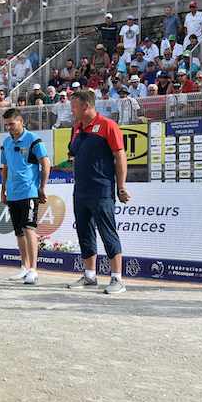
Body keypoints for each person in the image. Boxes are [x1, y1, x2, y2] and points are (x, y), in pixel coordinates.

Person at [66, 90, 131, 294]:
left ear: (86, 106)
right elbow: (74, 155)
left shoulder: (108, 125)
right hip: (80, 190)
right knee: (84, 232)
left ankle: (117, 278)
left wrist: (121, 186)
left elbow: (120, 157)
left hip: (101, 189)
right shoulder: (76, 128)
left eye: (74, 107)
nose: (71, 111)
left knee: (107, 232)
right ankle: (90, 276)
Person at [0, 108, 50, 285]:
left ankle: (33, 270)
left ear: (21, 121)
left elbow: (46, 164)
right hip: (12, 193)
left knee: (29, 229)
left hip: (29, 192)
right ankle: (24, 266)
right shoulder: (6, 142)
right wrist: (3, 191)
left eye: (12, 124)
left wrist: (42, 188)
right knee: (19, 233)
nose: (9, 128)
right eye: (6, 125)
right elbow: (5, 168)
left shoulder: (34, 140)